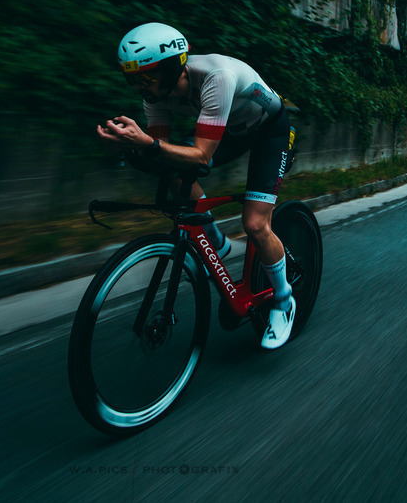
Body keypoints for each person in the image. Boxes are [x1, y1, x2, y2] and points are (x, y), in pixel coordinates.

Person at [97, 22, 296, 349]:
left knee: (255, 223)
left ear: (172, 67)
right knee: (172, 171)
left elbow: (202, 156)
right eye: (133, 80)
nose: (140, 88)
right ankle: (216, 242)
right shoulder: (157, 94)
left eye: (146, 78)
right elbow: (159, 154)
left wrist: (148, 144)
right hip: (231, 129)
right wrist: (128, 148)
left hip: (269, 132)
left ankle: (284, 301)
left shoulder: (216, 77)